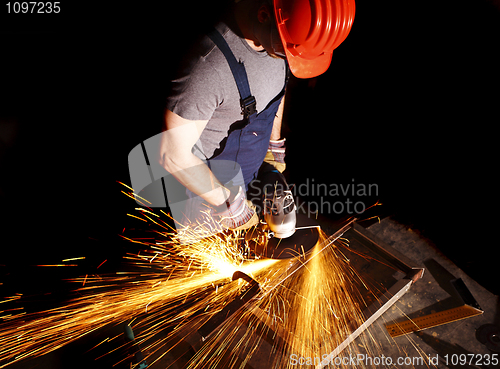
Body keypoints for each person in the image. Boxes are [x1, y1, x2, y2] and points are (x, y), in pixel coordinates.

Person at [158, 0, 355, 235]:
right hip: (203, 200)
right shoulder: (208, 67)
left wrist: (273, 149)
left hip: (245, 184)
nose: (287, 58)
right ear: (264, 14)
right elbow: (172, 155)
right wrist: (230, 205)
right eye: (287, 51)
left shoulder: (279, 37)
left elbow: (274, 93)